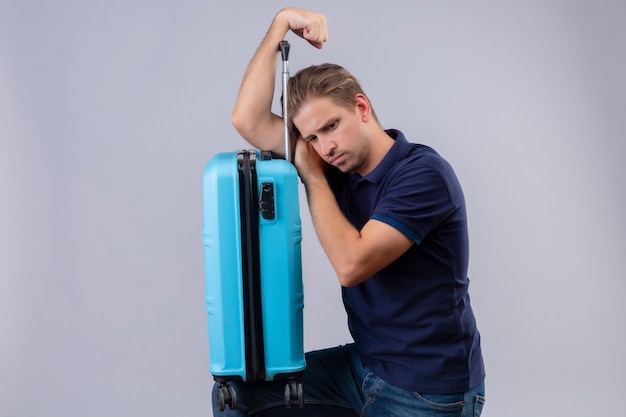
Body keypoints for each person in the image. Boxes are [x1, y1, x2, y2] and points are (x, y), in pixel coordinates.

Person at [215, 7, 486, 417]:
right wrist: (280, 24)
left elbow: (351, 263)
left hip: (429, 391)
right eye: (311, 138)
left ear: (361, 107)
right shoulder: (337, 163)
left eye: (331, 127)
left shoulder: (424, 175)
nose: (324, 147)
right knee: (238, 397)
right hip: (367, 367)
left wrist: (313, 177)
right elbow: (247, 119)